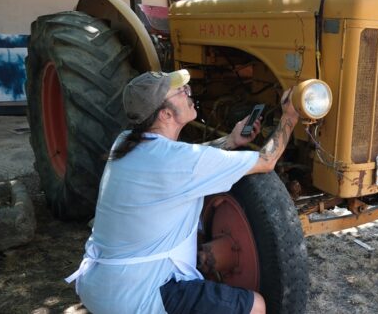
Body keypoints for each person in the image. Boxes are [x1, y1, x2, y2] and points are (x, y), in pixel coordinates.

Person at [65, 69, 299, 314]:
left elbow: (187, 160)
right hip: (138, 297)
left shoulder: (125, 142)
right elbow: (266, 161)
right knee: (257, 307)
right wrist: (290, 116)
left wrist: (230, 141)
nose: (188, 92)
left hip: (97, 285)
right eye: (180, 91)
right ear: (165, 114)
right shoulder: (178, 161)